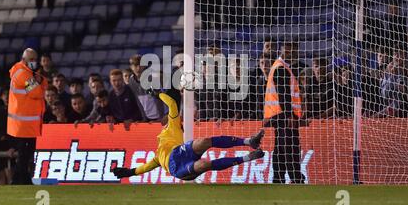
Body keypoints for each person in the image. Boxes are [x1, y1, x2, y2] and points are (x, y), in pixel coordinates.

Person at [113, 90, 265, 181]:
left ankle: (249, 141)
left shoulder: (173, 127)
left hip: (180, 151)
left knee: (204, 141)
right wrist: (130, 172)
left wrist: (157, 93)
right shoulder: (157, 157)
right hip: (178, 168)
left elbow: (172, 104)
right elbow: (146, 167)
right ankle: (247, 157)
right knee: (204, 164)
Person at [263, 41, 305, 184]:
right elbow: (284, 94)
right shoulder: (281, 68)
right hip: (283, 114)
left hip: (277, 114)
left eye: (293, 52)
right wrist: (289, 115)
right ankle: (296, 178)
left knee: (281, 147)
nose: (291, 54)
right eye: (288, 51)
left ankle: (278, 178)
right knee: (290, 146)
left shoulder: (279, 67)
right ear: (282, 51)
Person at [7, 48, 48, 185]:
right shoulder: (23, 74)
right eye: (31, 59)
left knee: (26, 154)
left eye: (35, 59)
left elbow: (44, 84)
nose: (34, 62)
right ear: (24, 60)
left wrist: (39, 80)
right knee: (24, 155)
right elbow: (37, 93)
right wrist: (39, 82)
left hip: (26, 124)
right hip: (23, 124)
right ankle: (17, 181)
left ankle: (23, 180)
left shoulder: (27, 72)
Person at [128, 54, 165, 122]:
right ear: (131, 67)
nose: (138, 68)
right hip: (145, 117)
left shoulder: (152, 78)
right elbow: (137, 101)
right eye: (136, 65)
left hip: (157, 117)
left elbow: (160, 98)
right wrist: (143, 118)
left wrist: (160, 118)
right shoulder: (131, 81)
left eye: (140, 65)